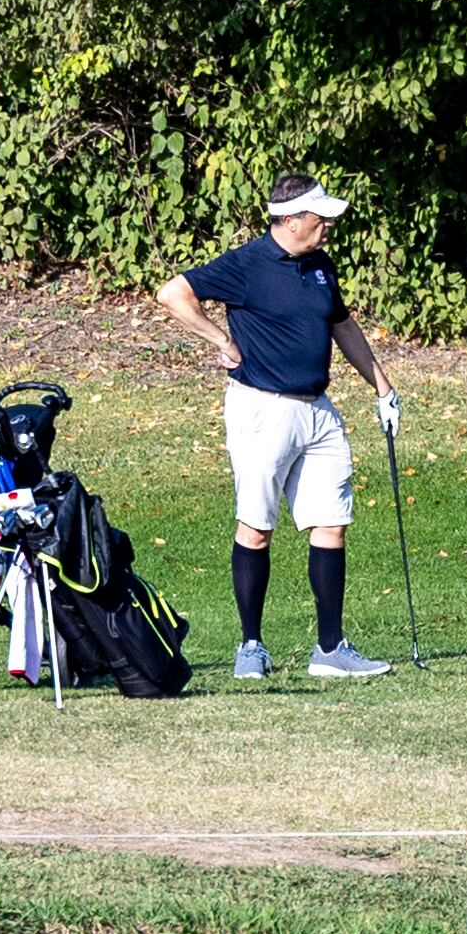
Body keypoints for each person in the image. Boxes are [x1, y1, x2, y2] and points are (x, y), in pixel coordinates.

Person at [156, 174, 402, 680]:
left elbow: (341, 324)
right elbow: (173, 294)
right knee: (257, 527)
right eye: (320, 216)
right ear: (291, 220)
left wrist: (382, 387)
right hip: (262, 410)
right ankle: (250, 645)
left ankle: (330, 650)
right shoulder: (246, 265)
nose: (329, 223)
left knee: (331, 524)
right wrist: (220, 341)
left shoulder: (319, 265)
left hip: (318, 409)